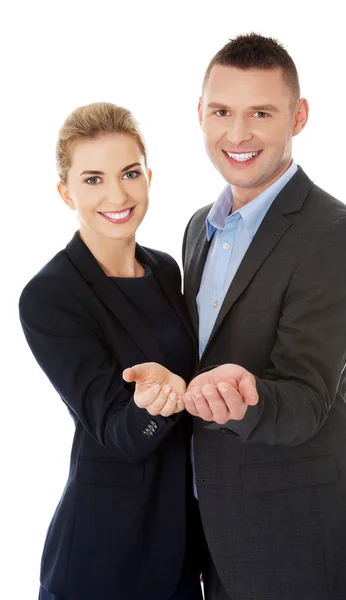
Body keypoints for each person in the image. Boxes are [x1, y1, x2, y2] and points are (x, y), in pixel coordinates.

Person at [125, 34, 346, 599]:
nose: (238, 133)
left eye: (261, 113)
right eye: (222, 111)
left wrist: (246, 395)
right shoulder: (200, 226)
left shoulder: (336, 235)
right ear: (200, 115)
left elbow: (306, 398)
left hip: (299, 538)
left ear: (297, 118)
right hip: (216, 535)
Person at [18, 102, 205, 600]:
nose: (118, 194)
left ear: (149, 176)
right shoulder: (50, 296)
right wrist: (152, 405)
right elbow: (116, 433)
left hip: (183, 550)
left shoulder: (166, 270)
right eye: (94, 179)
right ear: (66, 193)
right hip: (104, 560)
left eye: (130, 173)